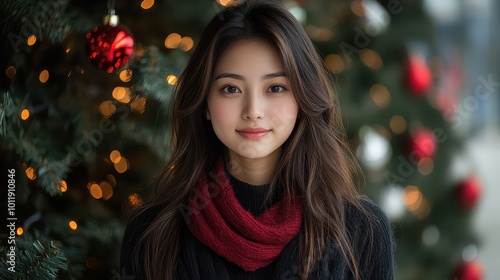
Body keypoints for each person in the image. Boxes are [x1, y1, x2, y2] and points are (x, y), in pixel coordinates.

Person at [120, 0, 395, 279]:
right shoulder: (152, 233)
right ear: (204, 102)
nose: (253, 111)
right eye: (231, 88)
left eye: (275, 88)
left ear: (302, 97)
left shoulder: (363, 231)